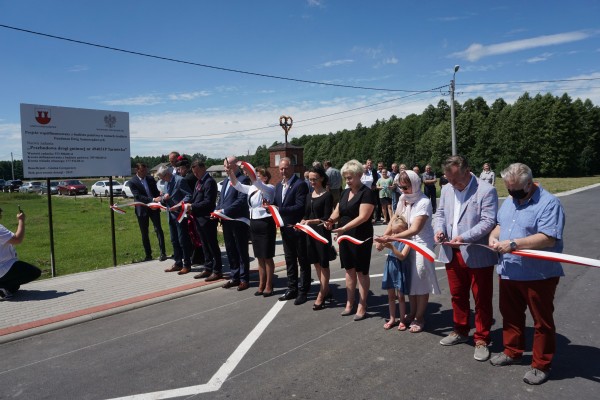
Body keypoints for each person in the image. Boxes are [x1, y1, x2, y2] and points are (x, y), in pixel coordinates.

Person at [488, 163, 565, 386]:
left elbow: (548, 237)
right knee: (510, 315)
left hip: (538, 274)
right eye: (508, 189)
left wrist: (514, 244)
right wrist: (493, 237)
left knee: (542, 321)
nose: (512, 194)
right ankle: (512, 351)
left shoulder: (549, 203)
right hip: (509, 270)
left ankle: (541, 364)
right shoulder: (510, 202)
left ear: (529, 184)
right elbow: (500, 225)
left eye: (516, 190)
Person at [434, 155, 498, 362]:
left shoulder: (486, 190)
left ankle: (482, 338)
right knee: (457, 295)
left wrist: (463, 237)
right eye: (449, 179)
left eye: (456, 180)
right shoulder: (446, 189)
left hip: (476, 252)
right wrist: (439, 230)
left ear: (468, 171)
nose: (452, 184)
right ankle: (460, 330)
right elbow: (440, 214)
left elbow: (488, 222)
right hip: (451, 252)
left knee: (482, 298)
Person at [376, 170, 440, 333]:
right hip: (405, 241)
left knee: (420, 279)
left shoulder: (423, 202)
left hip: (421, 244)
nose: (403, 191)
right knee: (409, 280)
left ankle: (420, 317)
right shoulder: (403, 199)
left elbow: (415, 229)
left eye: (406, 187)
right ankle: (411, 313)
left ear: (415, 184)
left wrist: (390, 239)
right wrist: (385, 236)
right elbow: (394, 220)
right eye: (401, 187)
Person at [325, 160, 375, 321]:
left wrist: (343, 229)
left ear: (359, 175)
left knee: (361, 271)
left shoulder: (367, 193)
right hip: (344, 235)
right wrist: (330, 220)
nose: (347, 181)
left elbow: (363, 217)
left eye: (350, 177)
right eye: (345, 178)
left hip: (360, 236)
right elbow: (339, 210)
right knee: (349, 270)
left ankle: (362, 304)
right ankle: (349, 302)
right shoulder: (345, 192)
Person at [229, 164, 276, 297]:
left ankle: (268, 284)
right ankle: (262, 284)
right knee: (259, 257)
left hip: (266, 223)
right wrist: (230, 172)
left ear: (265, 178)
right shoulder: (252, 188)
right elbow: (237, 185)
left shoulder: (269, 188)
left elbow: (258, 184)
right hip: (254, 223)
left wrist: (250, 172)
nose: (255, 178)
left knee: (267, 256)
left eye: (259, 176)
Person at [274, 157, 311, 305]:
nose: (283, 171)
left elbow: (300, 207)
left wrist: (279, 209)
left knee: (302, 260)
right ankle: (292, 288)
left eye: (286, 168)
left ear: (293, 168)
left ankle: (303, 291)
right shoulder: (278, 185)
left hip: (298, 229)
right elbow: (277, 205)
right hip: (285, 229)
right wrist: (271, 209)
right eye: (281, 168)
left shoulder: (300, 184)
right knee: (289, 260)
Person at [300, 165, 334, 310]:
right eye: (309, 179)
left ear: (321, 178)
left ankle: (321, 295)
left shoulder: (327, 196)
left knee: (324, 264)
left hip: (321, 234)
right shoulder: (308, 195)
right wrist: (303, 221)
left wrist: (311, 221)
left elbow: (326, 217)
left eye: (314, 179)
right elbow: (306, 214)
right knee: (316, 263)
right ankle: (325, 289)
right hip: (309, 234)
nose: (312, 182)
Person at [187, 160, 223, 282]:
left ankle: (217, 270)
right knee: (204, 245)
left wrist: (192, 207)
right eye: (194, 173)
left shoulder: (209, 182)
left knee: (212, 245)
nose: (196, 175)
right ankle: (208, 267)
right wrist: (187, 205)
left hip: (207, 219)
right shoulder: (199, 182)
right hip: (198, 218)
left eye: (197, 172)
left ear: (203, 168)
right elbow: (195, 198)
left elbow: (208, 202)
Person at [218, 156, 251, 291]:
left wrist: (225, 210)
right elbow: (222, 199)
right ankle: (234, 276)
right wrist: (217, 211)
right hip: (226, 221)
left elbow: (241, 200)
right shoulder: (226, 180)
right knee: (230, 249)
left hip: (238, 221)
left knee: (241, 250)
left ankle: (244, 279)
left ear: (236, 165)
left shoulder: (243, 180)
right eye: (225, 166)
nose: (226, 169)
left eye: (228, 166)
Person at [154, 165, 193, 274]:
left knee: (182, 240)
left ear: (167, 174)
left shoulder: (180, 180)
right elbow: (166, 197)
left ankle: (187, 264)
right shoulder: (166, 182)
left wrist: (179, 205)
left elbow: (189, 196)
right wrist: (161, 199)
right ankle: (177, 263)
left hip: (180, 215)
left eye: (162, 177)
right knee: (174, 240)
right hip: (170, 215)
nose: (161, 180)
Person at [128, 163, 167, 262]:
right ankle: (148, 255)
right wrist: (153, 199)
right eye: (143, 170)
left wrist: (160, 196)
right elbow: (138, 196)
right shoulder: (132, 182)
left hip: (154, 208)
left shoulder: (150, 179)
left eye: (146, 170)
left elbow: (155, 191)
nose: (145, 172)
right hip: (142, 209)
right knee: (144, 233)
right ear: (137, 170)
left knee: (158, 229)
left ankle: (163, 253)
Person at [0, 207, 42, 300]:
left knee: (15, 287)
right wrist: (21, 220)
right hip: (5, 266)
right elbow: (17, 239)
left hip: (4, 265)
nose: (1, 215)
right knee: (34, 272)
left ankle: (4, 288)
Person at [381, 215, 411, 331]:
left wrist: (392, 247)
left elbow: (402, 256)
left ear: (405, 231)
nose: (394, 235)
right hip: (390, 268)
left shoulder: (407, 242)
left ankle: (402, 319)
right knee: (391, 296)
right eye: (393, 232)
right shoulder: (392, 239)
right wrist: (382, 243)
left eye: (398, 232)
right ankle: (392, 318)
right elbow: (382, 245)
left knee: (401, 297)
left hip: (399, 269)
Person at [177, 157, 204, 266]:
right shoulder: (193, 177)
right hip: (195, 208)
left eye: (180, 169)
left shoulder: (187, 179)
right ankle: (199, 257)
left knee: (194, 235)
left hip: (192, 209)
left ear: (184, 168)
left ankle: (196, 258)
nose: (179, 171)